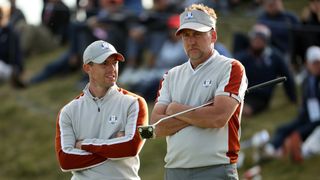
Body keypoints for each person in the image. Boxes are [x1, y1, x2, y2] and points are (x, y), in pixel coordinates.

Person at [150, 4, 248, 180]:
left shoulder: (231, 68)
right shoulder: (170, 76)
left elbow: (217, 118)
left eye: (197, 34)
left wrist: (174, 109)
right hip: (174, 170)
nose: (191, 41)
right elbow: (157, 126)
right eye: (186, 35)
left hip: (216, 169)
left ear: (213, 36)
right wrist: (200, 114)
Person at [55, 40, 148, 179]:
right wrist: (114, 148)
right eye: (104, 63)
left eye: (114, 63)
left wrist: (84, 144)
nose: (112, 68)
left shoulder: (135, 103)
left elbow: (131, 147)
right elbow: (66, 160)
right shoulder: (68, 111)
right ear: (87, 68)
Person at [262, 46, 320, 163]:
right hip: (306, 117)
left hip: (317, 120)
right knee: (282, 129)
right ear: (307, 64)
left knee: (297, 133)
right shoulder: (306, 81)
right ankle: (270, 149)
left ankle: (294, 151)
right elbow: (305, 104)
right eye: (314, 63)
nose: (317, 66)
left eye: (318, 63)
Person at [235, 24, 297, 116]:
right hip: (243, 93)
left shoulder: (275, 57)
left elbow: (287, 77)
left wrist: (293, 98)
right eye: (255, 39)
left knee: (245, 111)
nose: (257, 42)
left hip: (261, 96)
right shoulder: (242, 57)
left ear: (266, 41)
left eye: (260, 39)